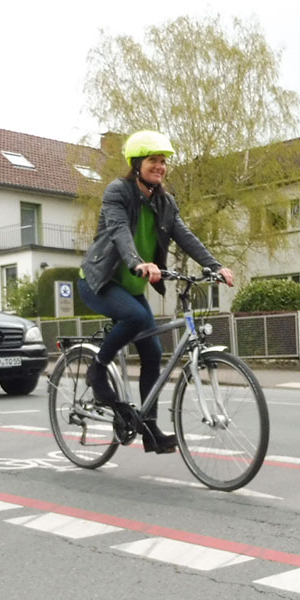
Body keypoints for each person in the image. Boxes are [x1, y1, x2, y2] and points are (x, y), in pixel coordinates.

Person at [78, 130, 234, 454]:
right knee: (135, 316)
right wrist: (138, 263)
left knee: (152, 354)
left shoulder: (164, 201)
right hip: (100, 281)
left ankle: (149, 429)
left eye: (163, 161)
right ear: (137, 164)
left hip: (132, 286)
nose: (160, 167)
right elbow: (120, 232)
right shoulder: (117, 192)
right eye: (153, 160)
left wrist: (215, 265)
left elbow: (185, 235)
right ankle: (98, 369)